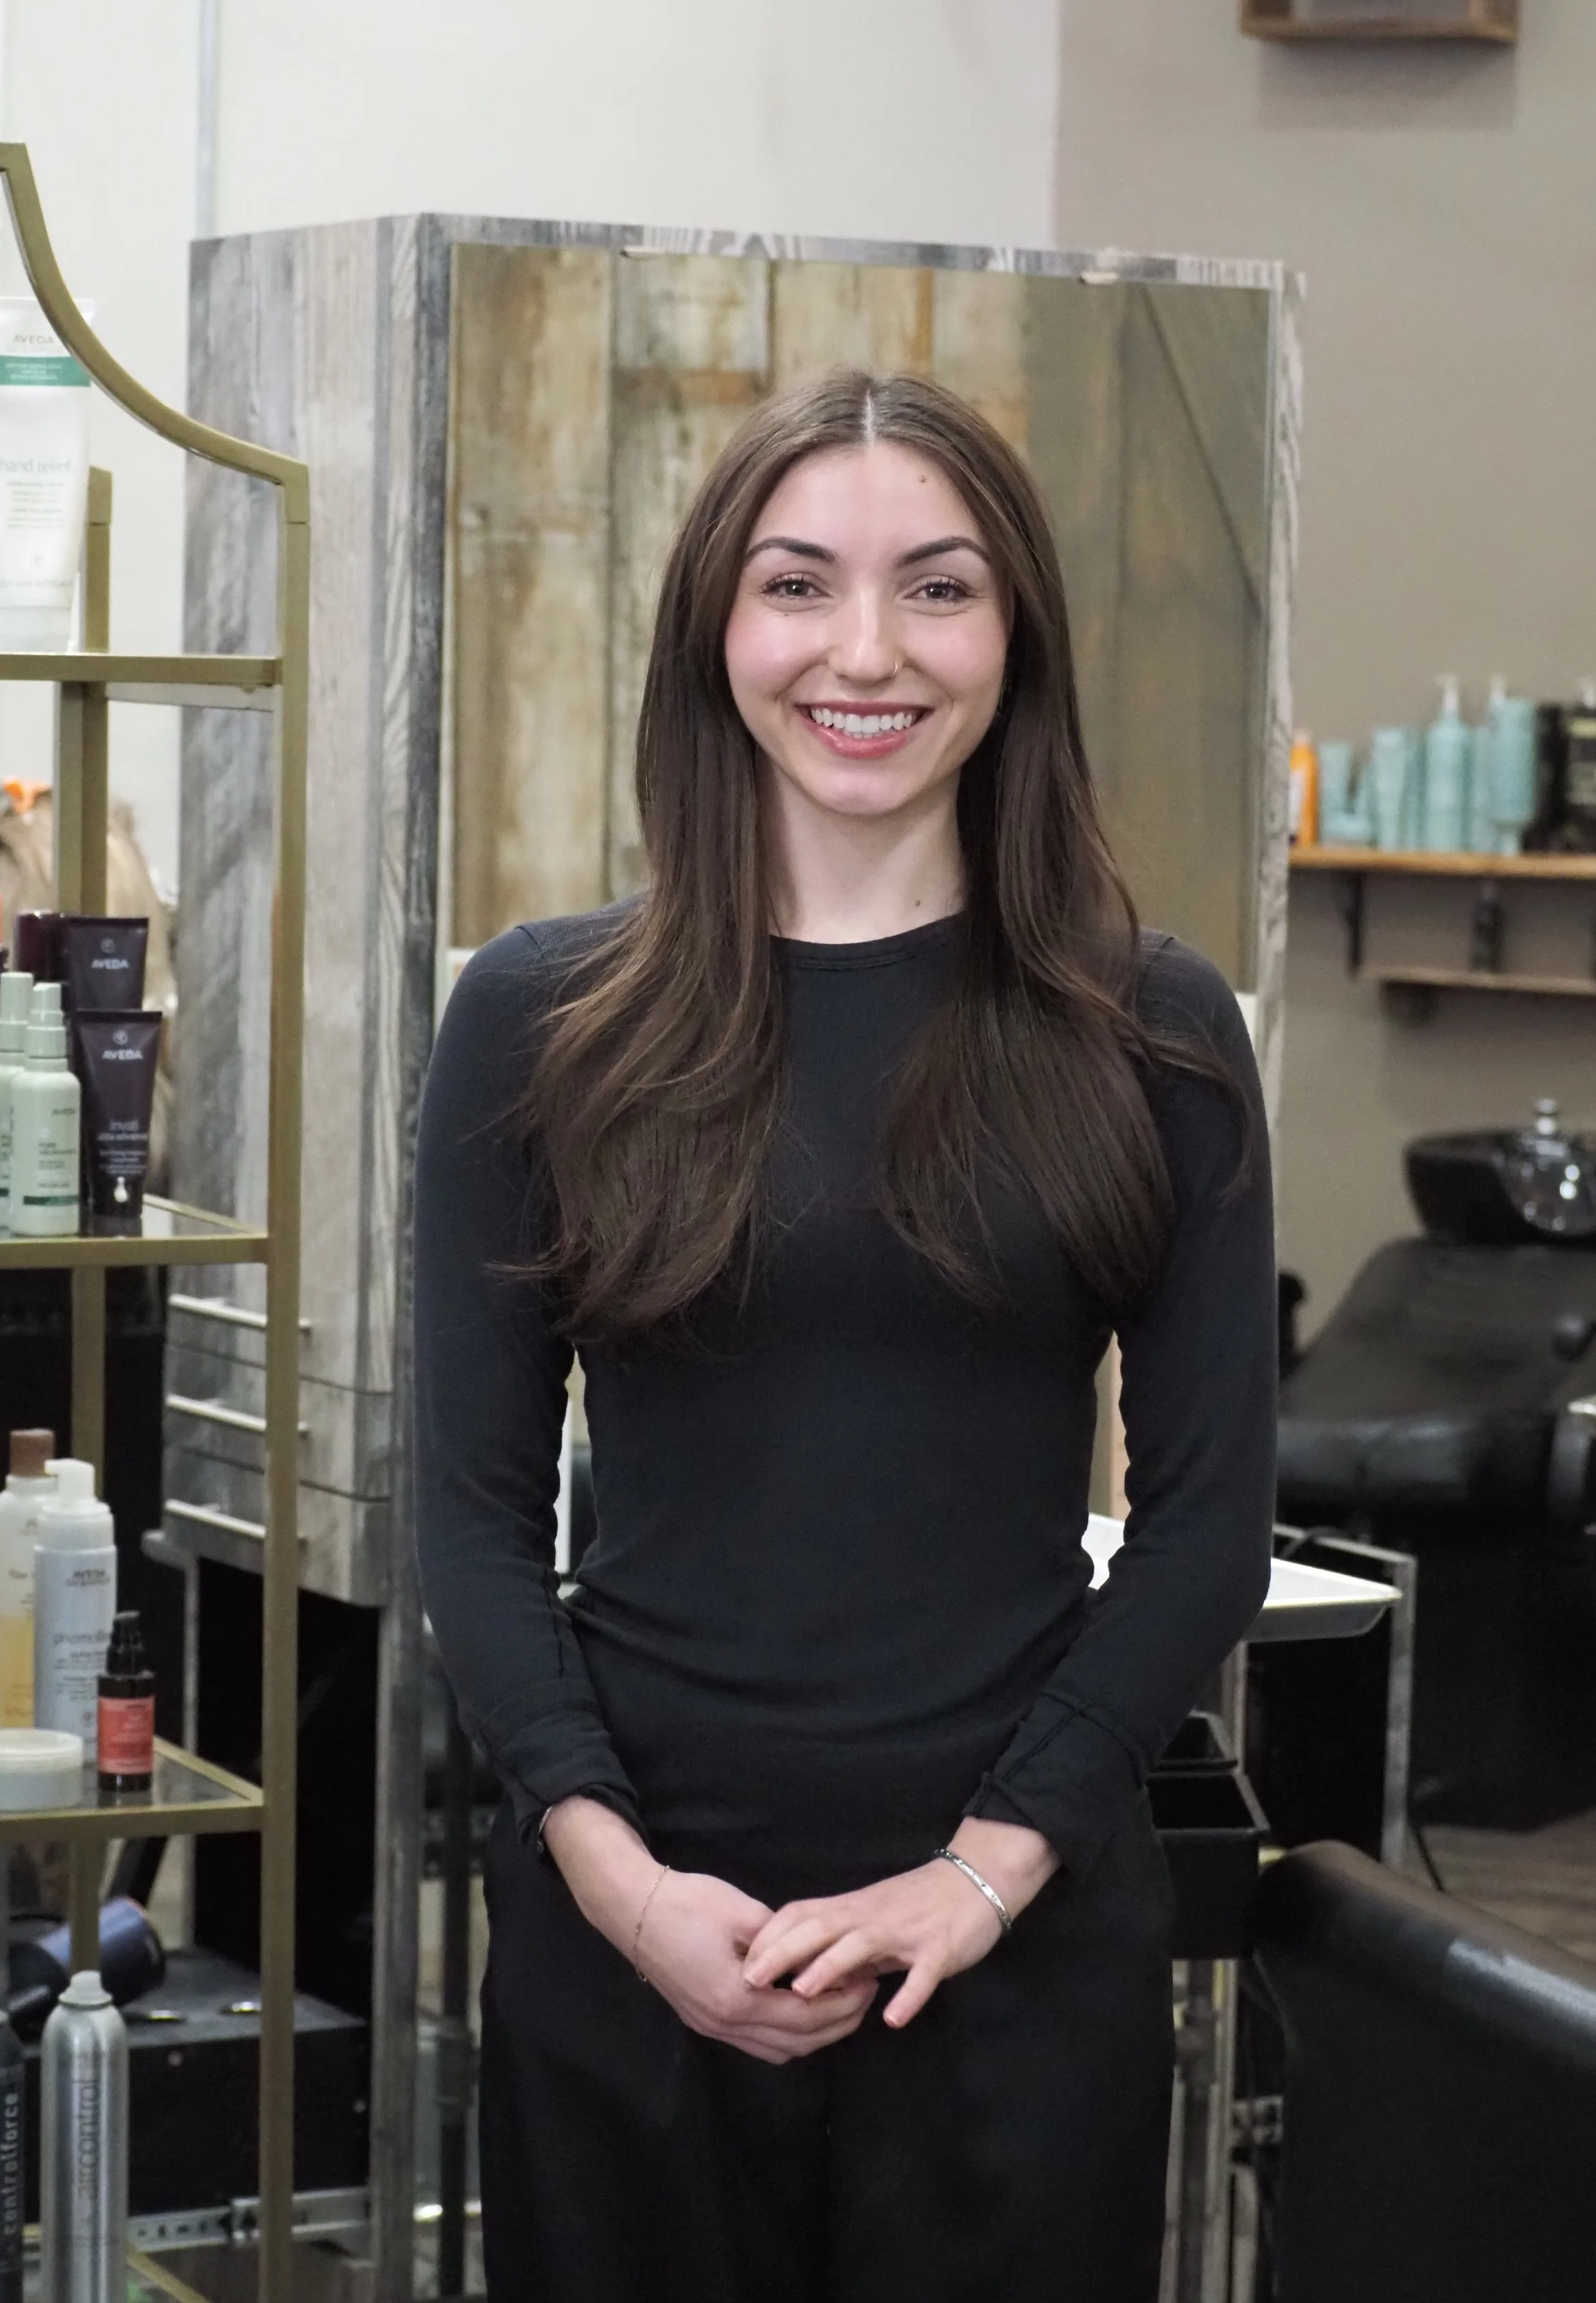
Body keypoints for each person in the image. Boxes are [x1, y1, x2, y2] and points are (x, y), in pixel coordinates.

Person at [413, 367, 1276, 2303]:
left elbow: (1208, 1518)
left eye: (937, 588)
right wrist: (625, 1892)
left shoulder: (1146, 1031)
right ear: (718, 629)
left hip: (1014, 1947)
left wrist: (980, 1873)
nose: (864, 651)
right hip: (629, 1937)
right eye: (799, 584)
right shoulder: (542, 1019)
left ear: (1014, 636)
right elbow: (468, 1516)